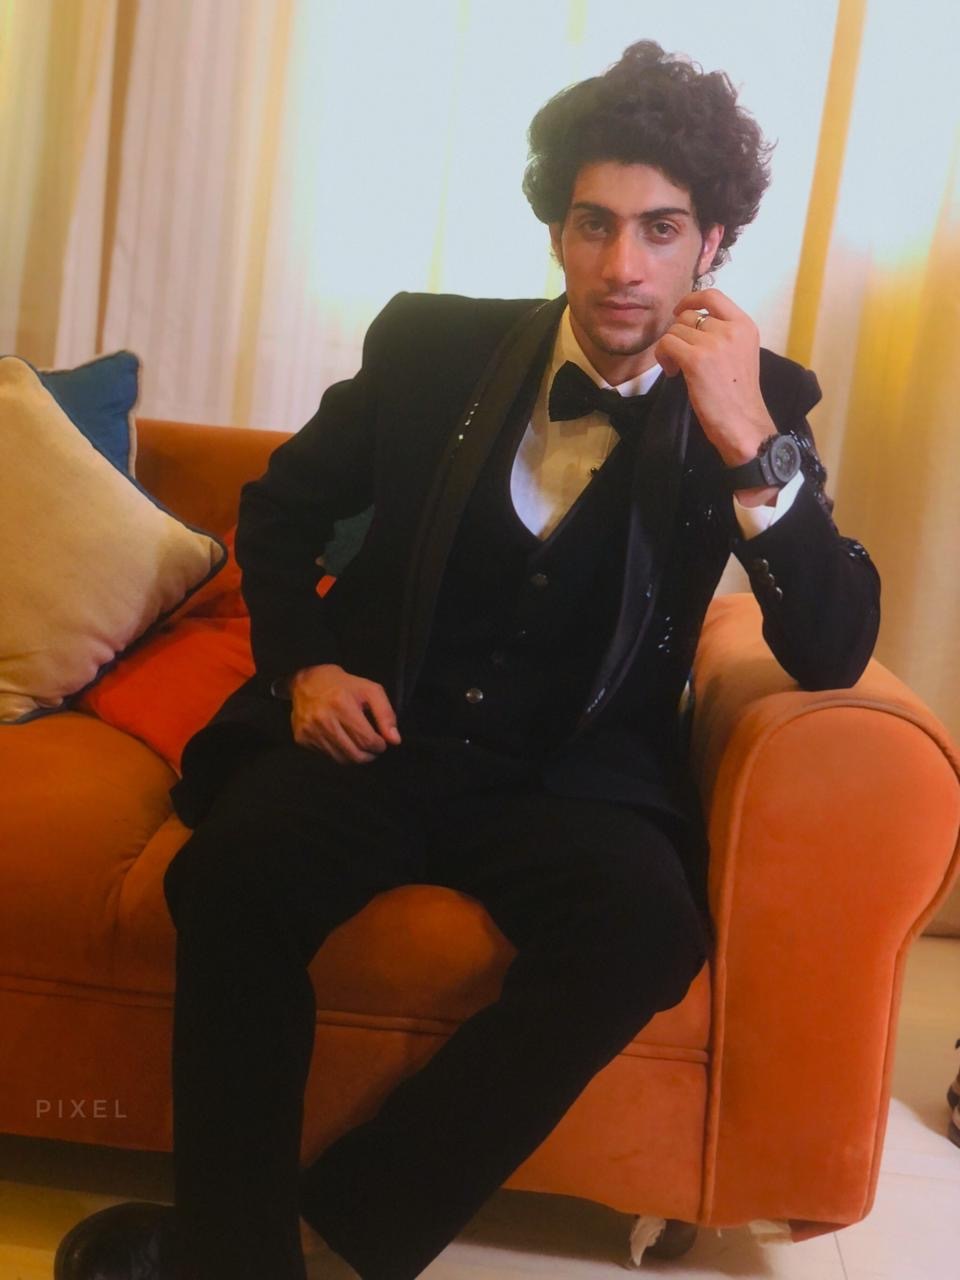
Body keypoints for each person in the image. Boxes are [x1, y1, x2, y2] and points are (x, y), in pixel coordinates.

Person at [54, 38, 881, 1280]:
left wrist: (747, 442)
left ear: (712, 244)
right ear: (556, 230)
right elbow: (277, 511)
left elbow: (832, 641)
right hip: (383, 732)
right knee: (228, 876)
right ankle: (235, 1254)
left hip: (573, 776)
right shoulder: (433, 346)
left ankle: (345, 1230)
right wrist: (306, 668)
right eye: (595, 224)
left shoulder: (759, 401)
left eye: (660, 229)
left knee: (646, 931)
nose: (623, 265)